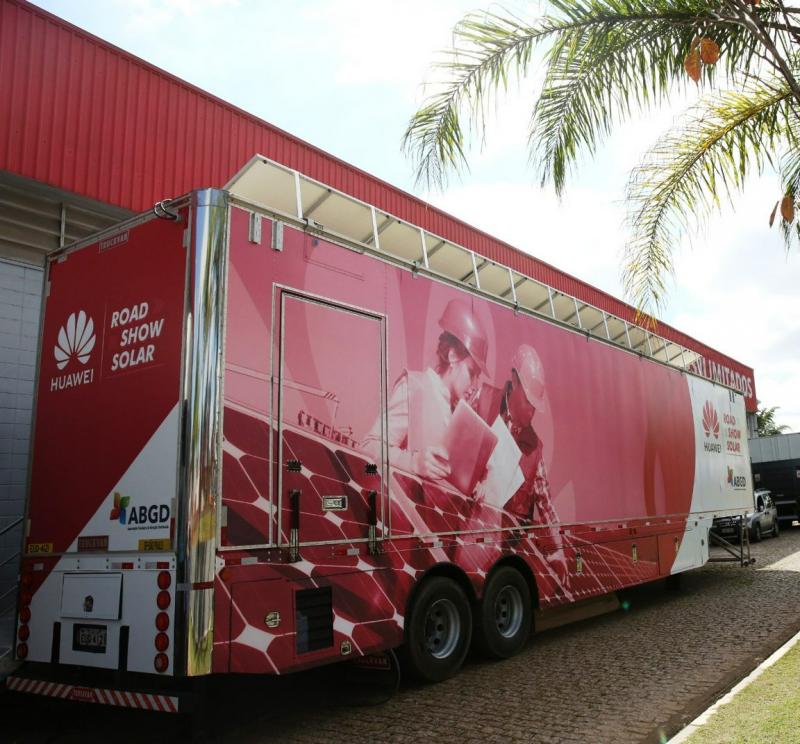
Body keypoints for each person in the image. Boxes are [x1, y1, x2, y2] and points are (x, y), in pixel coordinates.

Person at [474, 344, 570, 588]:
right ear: (514, 380)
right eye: (528, 401)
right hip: (465, 537)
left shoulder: (535, 448)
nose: (531, 411)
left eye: (535, 406)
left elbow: (546, 504)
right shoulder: (480, 399)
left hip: (506, 556)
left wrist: (558, 549)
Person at [362, 299, 489, 479]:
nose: (475, 385)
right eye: (471, 373)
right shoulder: (413, 388)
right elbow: (367, 448)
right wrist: (413, 462)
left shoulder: (458, 416)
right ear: (452, 356)